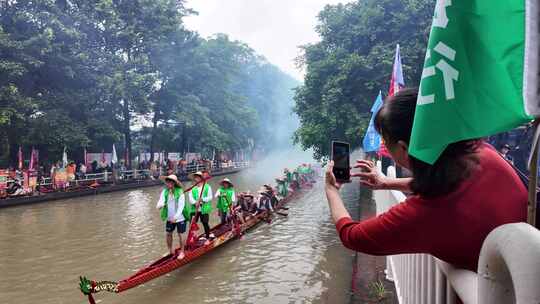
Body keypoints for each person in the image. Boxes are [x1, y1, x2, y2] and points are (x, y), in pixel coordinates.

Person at [325, 88, 527, 272]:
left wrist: (332, 190)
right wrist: (386, 183)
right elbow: (442, 184)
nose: (384, 148)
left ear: (403, 149)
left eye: (386, 142)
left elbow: (352, 235)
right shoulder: (481, 152)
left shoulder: (426, 211)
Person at [156, 174, 187, 259]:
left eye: (171, 181)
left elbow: (181, 206)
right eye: (168, 181)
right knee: (168, 234)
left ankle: (182, 252)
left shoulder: (180, 192)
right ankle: (170, 250)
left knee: (180, 234)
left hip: (179, 218)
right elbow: (161, 201)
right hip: (170, 218)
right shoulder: (165, 191)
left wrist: (176, 217)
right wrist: (159, 205)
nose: (169, 183)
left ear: (174, 183)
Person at [188, 171, 214, 245]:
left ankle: (208, 237)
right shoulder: (192, 188)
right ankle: (193, 238)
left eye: (198, 177)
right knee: (192, 224)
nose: (196, 178)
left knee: (205, 223)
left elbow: (210, 197)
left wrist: (202, 199)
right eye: (195, 177)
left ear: (201, 178)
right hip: (194, 209)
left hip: (204, 208)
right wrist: (195, 202)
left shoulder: (207, 186)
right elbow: (190, 198)